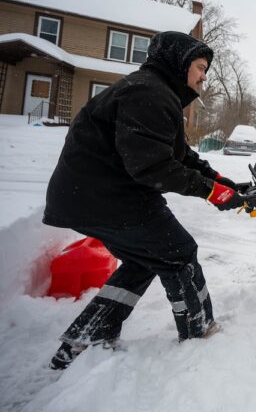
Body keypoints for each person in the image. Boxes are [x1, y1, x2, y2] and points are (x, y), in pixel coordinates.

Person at [43, 31, 245, 370]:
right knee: (178, 253)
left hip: (94, 197)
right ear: (180, 63)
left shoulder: (156, 92)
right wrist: (211, 191)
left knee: (147, 259)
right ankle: (200, 335)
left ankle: (88, 336)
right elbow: (154, 166)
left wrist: (218, 181)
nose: (203, 77)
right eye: (200, 67)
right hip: (108, 197)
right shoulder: (148, 93)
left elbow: (179, 155)